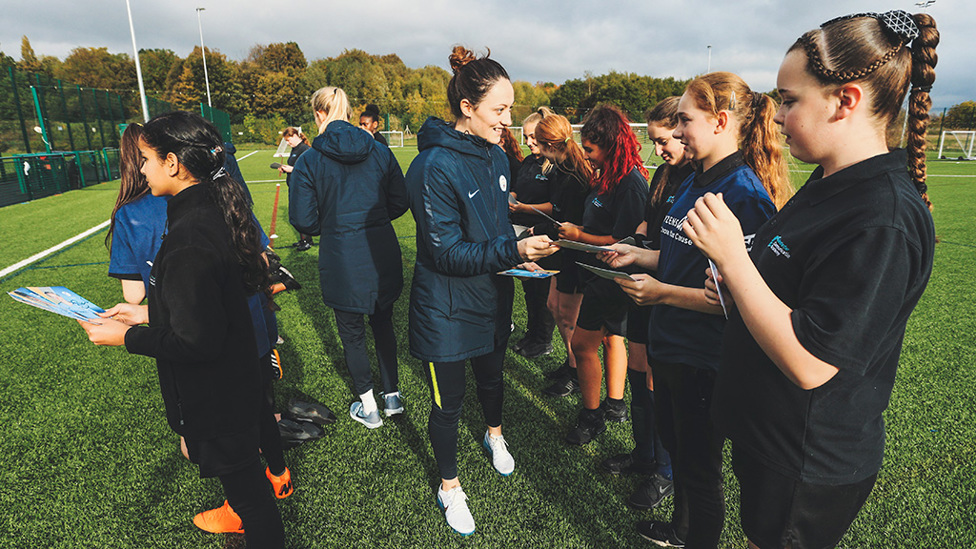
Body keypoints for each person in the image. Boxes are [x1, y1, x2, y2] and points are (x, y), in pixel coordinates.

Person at [683, 12, 937, 549]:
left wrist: (733, 262)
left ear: (845, 100)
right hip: (769, 436)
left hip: (806, 458)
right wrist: (736, 288)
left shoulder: (883, 216)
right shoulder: (830, 179)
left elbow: (811, 363)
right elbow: (791, 289)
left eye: (790, 100)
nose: (776, 118)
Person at [601, 71, 791, 547]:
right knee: (682, 456)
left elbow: (733, 299)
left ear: (720, 121)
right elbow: (684, 257)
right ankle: (681, 531)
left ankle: (694, 536)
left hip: (704, 358)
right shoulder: (694, 178)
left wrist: (660, 293)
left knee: (700, 469)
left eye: (685, 120)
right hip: (672, 346)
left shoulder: (744, 195)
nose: (679, 130)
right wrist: (641, 256)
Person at [80, 111, 285, 546]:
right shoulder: (209, 211)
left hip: (220, 395)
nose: (141, 169)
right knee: (249, 495)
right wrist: (145, 314)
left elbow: (197, 340)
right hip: (235, 382)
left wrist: (126, 337)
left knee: (251, 502)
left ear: (173, 163)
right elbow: (210, 307)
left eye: (148, 159)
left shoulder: (191, 234)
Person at [404, 46, 555, 537]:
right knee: (448, 405)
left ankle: (495, 436)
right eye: (499, 110)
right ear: (467, 108)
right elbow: (446, 253)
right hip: (445, 308)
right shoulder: (432, 167)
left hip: (493, 296)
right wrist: (514, 251)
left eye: (510, 108)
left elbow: (491, 226)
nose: (508, 121)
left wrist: (519, 241)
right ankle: (449, 486)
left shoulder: (495, 155)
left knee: (493, 381)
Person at [289, 86, 409, 429]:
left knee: (353, 333)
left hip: (343, 256)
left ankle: (370, 406)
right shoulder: (379, 150)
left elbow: (304, 220)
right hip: (379, 251)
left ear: (318, 114)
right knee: (382, 323)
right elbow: (400, 201)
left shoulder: (310, 159)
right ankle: (391, 397)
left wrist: (340, 222)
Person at [600, 97, 690, 510]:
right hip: (643, 285)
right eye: (652, 141)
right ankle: (643, 455)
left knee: (661, 385)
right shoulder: (662, 175)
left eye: (663, 139)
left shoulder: (698, 178)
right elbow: (648, 224)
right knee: (638, 371)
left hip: (670, 295)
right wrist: (628, 243)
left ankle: (665, 472)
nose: (657, 150)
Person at [557, 105, 648, 445]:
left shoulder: (630, 184)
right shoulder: (608, 177)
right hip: (596, 273)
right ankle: (613, 404)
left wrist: (579, 236)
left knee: (582, 345)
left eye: (591, 149)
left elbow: (624, 241)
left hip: (611, 280)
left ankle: (591, 417)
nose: (587, 155)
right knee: (611, 339)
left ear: (610, 145)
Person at [531, 113, 592, 396]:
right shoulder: (562, 168)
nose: (534, 146)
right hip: (563, 250)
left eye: (537, 142)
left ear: (550, 145)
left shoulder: (574, 173)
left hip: (574, 253)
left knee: (568, 316)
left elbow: (567, 218)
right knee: (554, 305)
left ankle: (577, 372)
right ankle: (571, 363)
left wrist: (540, 228)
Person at [508, 107, 557, 359]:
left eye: (532, 137)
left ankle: (543, 340)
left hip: (542, 234)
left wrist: (525, 207)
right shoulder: (528, 162)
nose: (528, 142)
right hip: (521, 231)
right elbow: (517, 188)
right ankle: (532, 334)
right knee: (529, 288)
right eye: (525, 137)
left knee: (543, 290)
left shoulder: (554, 167)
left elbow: (555, 205)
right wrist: (511, 198)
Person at [280, 127, 313, 251]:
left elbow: (309, 170)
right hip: (294, 186)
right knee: (297, 214)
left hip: (302, 187)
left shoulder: (305, 149)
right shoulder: (295, 149)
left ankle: (308, 240)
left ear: (295, 136)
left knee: (302, 214)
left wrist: (291, 169)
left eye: (289, 140)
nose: (288, 143)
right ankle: (303, 239)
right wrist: (285, 169)